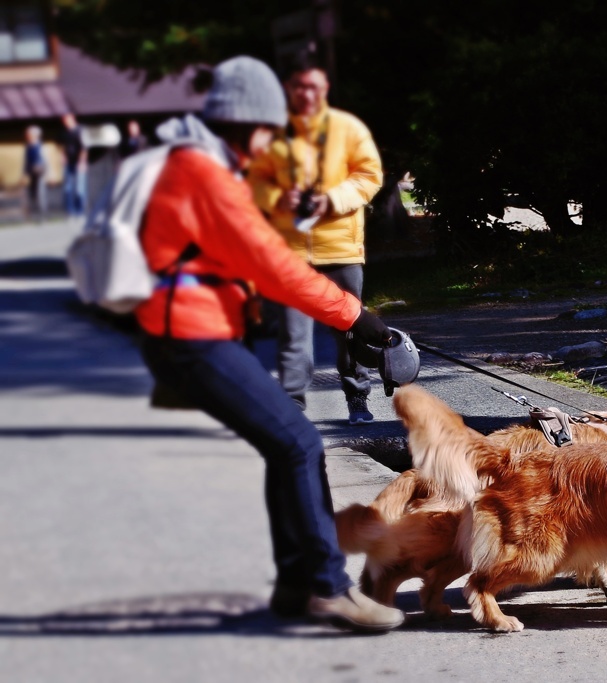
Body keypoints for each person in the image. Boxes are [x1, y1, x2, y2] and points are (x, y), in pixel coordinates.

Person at [136, 55, 404, 632]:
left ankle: (293, 585)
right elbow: (274, 265)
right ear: (247, 121)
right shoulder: (205, 174)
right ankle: (326, 587)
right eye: (265, 127)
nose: (267, 141)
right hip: (188, 336)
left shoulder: (198, 165)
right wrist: (358, 318)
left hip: (186, 330)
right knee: (299, 442)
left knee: (285, 442)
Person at [248, 49, 383, 422]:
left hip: (341, 246)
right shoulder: (273, 134)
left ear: (323, 87)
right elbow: (255, 183)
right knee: (293, 335)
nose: (305, 94)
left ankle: (358, 398)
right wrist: (279, 198)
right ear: (288, 90)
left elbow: (369, 176)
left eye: (312, 87)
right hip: (292, 252)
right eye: (298, 87)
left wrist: (332, 199)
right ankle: (293, 404)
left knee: (350, 329)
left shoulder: (348, 128)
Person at [59, 112, 87, 219]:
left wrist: (82, 162)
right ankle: (70, 211)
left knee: (80, 188)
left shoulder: (80, 130)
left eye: (67, 120)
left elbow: (84, 148)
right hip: (69, 163)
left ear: (72, 119)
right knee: (68, 188)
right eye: (64, 121)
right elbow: (62, 146)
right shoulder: (65, 132)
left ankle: (80, 211)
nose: (66, 123)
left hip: (79, 162)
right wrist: (63, 156)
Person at [22, 125, 47, 222]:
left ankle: (42, 216)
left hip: (39, 173)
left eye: (29, 134)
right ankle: (33, 215)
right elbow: (27, 161)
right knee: (32, 195)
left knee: (40, 194)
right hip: (31, 174)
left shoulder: (40, 146)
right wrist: (25, 173)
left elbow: (44, 160)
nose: (27, 136)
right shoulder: (28, 146)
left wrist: (41, 168)